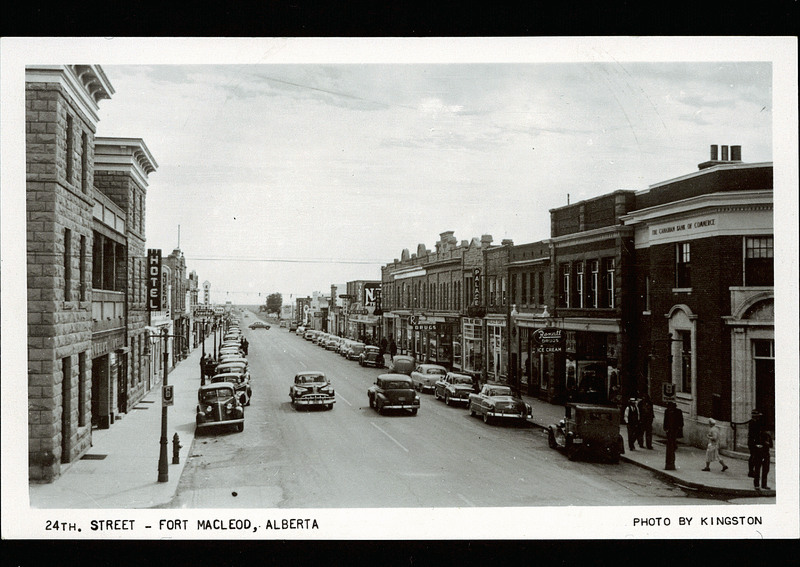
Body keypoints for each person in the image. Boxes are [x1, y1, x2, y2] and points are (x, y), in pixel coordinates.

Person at [663, 401, 683, 471]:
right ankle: (670, 463)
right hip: (669, 430)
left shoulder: (678, 412)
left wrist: (680, 427)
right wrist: (665, 428)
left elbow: (681, 420)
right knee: (670, 443)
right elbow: (665, 420)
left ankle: (670, 462)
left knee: (672, 442)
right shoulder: (667, 411)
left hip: (675, 429)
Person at [747, 409, 763, 478]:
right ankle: (751, 471)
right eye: (757, 416)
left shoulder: (756, 422)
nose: (758, 417)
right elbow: (753, 433)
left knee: (754, 456)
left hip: (754, 441)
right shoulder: (752, 422)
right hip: (753, 442)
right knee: (753, 456)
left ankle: (751, 470)